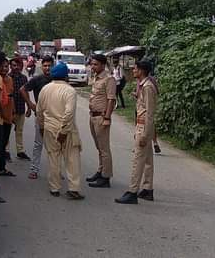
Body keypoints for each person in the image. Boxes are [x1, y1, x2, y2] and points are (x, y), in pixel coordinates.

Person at [36, 62, 84, 200]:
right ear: (66, 75)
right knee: (72, 159)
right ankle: (73, 189)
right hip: (67, 130)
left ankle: (54, 188)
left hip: (49, 128)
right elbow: (69, 113)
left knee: (53, 158)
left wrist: (41, 127)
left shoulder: (45, 89)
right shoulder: (69, 91)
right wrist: (63, 131)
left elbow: (39, 111)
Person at [116, 60, 158, 204]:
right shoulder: (143, 85)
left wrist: (145, 135)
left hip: (144, 126)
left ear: (141, 71)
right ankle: (147, 188)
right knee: (147, 160)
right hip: (142, 125)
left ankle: (132, 191)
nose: (133, 70)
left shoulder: (147, 87)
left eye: (135, 68)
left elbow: (150, 113)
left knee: (137, 160)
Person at [20, 55, 54, 179]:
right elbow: (22, 90)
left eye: (50, 65)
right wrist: (31, 105)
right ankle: (34, 169)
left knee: (54, 145)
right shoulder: (37, 79)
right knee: (38, 144)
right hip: (41, 115)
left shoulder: (57, 79)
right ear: (41, 66)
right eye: (45, 65)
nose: (47, 68)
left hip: (55, 117)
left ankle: (55, 170)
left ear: (53, 66)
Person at [86, 53, 116, 188]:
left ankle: (106, 177)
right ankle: (100, 170)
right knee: (99, 147)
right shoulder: (96, 78)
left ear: (103, 65)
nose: (93, 66)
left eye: (95, 64)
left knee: (104, 148)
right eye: (92, 64)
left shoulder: (108, 79)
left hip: (101, 117)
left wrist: (107, 118)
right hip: (93, 116)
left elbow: (111, 99)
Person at [7, 57, 31, 160]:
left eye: (18, 65)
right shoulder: (7, 78)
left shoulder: (24, 78)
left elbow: (26, 93)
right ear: (10, 66)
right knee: (7, 131)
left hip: (21, 107)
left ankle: (20, 151)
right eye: (13, 65)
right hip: (9, 109)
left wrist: (29, 107)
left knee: (19, 131)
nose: (16, 67)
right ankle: (6, 151)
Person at [1, 59, 15, 163]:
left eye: (7, 66)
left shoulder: (10, 80)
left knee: (5, 141)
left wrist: (13, 111)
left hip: (8, 116)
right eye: (3, 66)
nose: (5, 69)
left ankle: (1, 167)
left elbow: (11, 96)